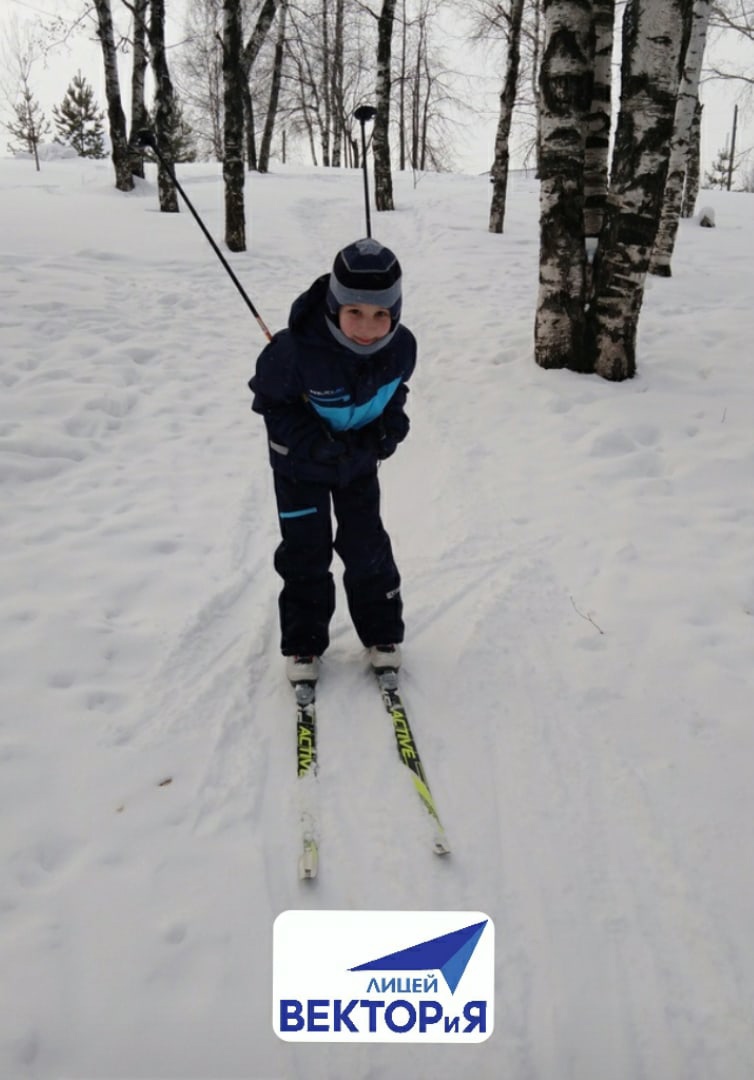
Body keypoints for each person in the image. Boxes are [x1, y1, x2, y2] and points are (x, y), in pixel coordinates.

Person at [248, 238, 416, 686]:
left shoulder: (401, 348)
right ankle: (303, 642)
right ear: (333, 306)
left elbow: (394, 391)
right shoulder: (293, 351)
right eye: (354, 311)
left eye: (381, 314)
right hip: (298, 470)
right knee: (306, 550)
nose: (367, 327)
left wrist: (391, 426)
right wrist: (314, 444)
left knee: (367, 547)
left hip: (356, 466)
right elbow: (270, 404)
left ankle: (382, 635)